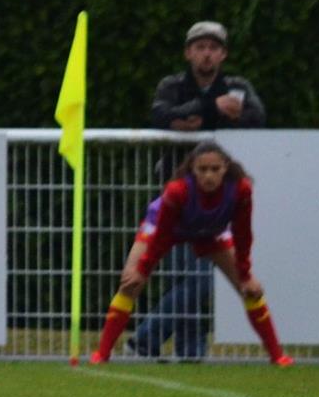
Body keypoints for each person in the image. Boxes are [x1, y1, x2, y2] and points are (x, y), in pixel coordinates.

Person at [89, 141, 289, 366]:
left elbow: (243, 234)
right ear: (192, 170)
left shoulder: (241, 189)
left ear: (226, 167)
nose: (209, 176)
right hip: (167, 229)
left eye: (215, 169)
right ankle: (102, 355)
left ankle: (278, 356)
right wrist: (142, 271)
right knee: (130, 283)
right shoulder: (177, 191)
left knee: (250, 290)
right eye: (202, 170)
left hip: (211, 232)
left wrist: (245, 274)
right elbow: (162, 236)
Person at [151, 22, 265, 132]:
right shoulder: (171, 85)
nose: (207, 54)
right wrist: (213, 106)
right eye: (200, 47)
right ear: (188, 53)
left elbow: (258, 118)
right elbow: (158, 116)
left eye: (214, 48)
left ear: (223, 54)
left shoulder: (238, 86)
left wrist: (203, 118)